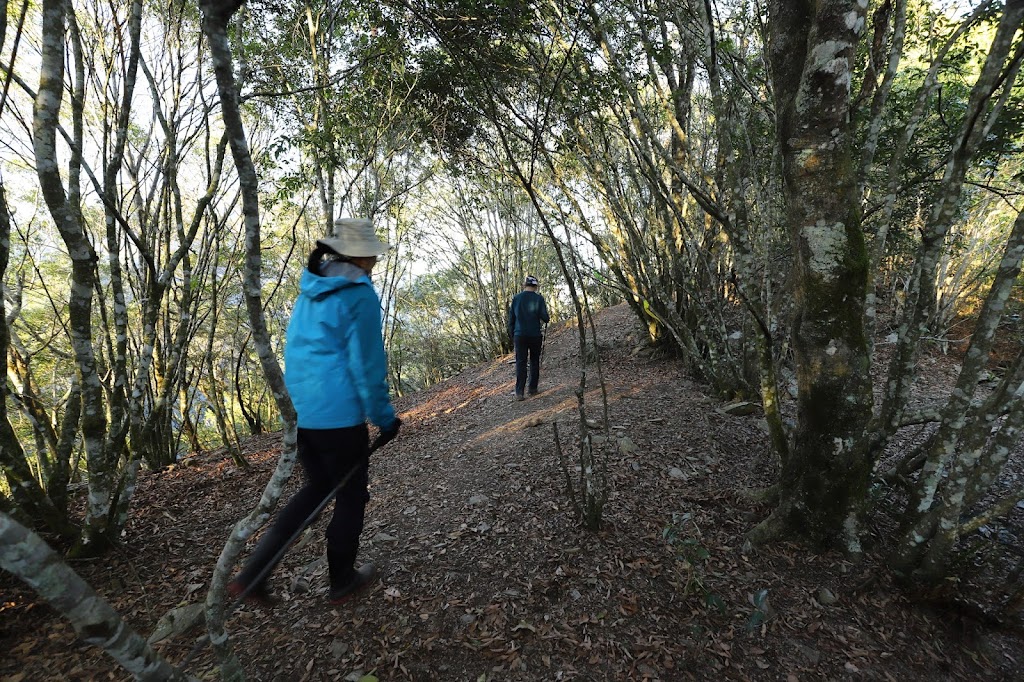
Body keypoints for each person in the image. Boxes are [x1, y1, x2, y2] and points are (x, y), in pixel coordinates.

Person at [228, 218, 401, 607]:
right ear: (361, 256)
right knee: (351, 495)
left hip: (302, 413)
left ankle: (254, 573)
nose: (374, 257)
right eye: (371, 251)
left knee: (317, 488)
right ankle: (342, 579)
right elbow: (366, 363)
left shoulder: (311, 289)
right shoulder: (358, 294)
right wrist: (384, 417)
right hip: (339, 416)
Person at [507, 275, 550, 400]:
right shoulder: (539, 299)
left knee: (521, 362)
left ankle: (519, 392)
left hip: (519, 335)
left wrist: (512, 335)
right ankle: (532, 389)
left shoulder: (516, 298)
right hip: (535, 335)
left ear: (524, 285)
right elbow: (546, 318)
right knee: (534, 361)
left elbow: (511, 320)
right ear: (536, 286)